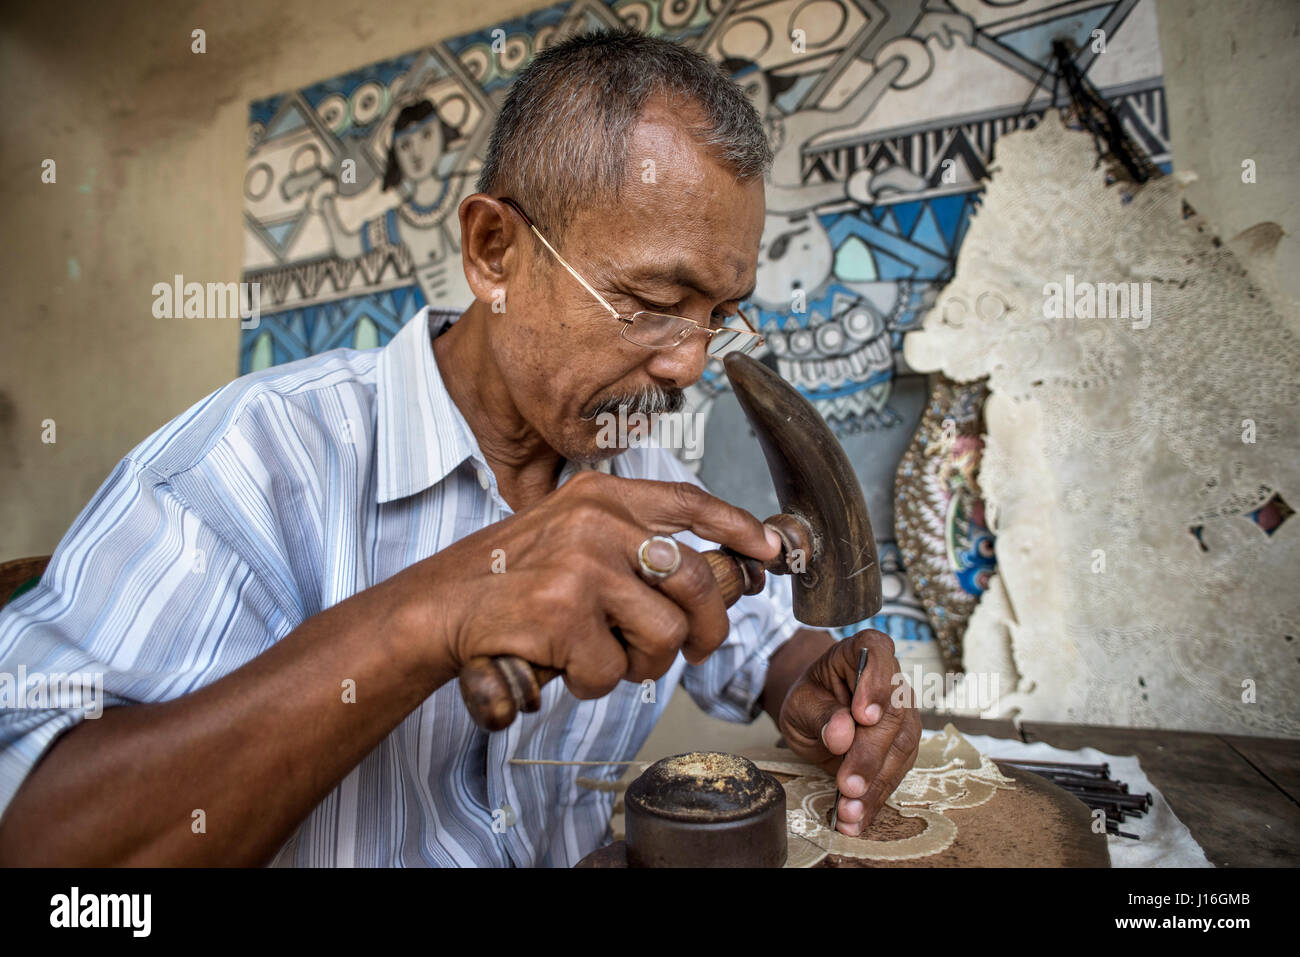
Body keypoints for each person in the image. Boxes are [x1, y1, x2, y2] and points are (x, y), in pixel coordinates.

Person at [0, 28, 919, 866]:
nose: (689, 365)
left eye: (718, 317)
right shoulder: (252, 460)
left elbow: (763, 649)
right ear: (494, 253)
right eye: (649, 302)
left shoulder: (644, 470)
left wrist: (815, 686)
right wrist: (436, 612)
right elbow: (40, 842)